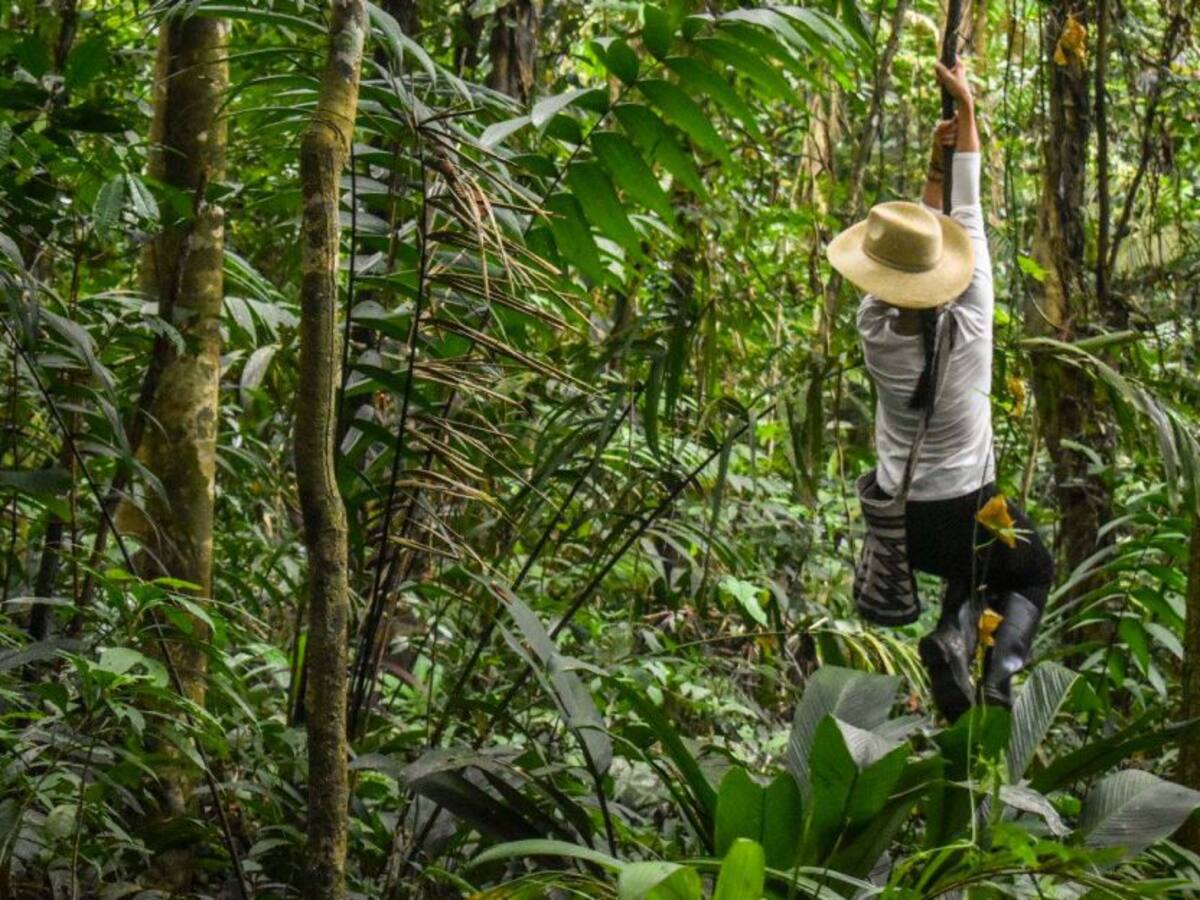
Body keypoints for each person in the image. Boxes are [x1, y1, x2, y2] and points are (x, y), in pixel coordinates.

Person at [826, 57, 1055, 721]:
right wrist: (968, 113)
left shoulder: (875, 329)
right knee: (1032, 570)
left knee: (970, 570)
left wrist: (933, 163)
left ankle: (955, 635)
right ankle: (1002, 673)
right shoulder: (974, 317)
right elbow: (967, 210)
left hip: (910, 528)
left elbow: (920, 243)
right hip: (975, 511)